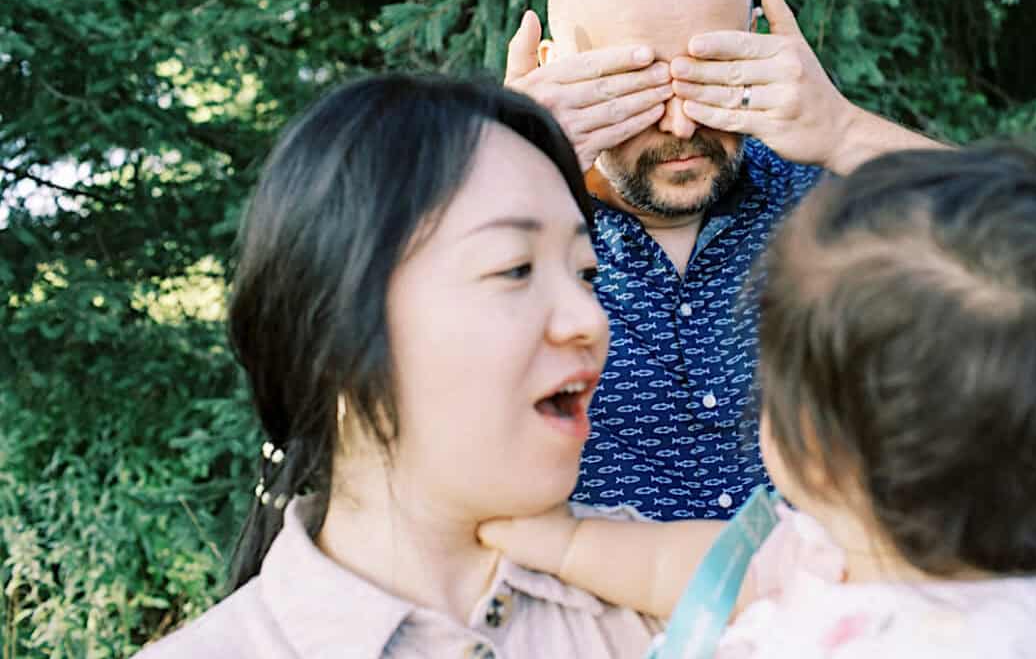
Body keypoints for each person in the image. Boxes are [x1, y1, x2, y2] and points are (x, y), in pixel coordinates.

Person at [476, 140, 1036, 656]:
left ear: (816, 448)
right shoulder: (880, 535)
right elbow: (718, 569)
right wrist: (568, 542)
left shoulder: (981, 641)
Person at [139, 75, 654, 658]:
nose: (589, 318)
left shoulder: (682, 598)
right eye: (515, 268)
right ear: (333, 332)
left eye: (587, 273)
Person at [500, 0, 939, 520]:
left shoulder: (823, 197)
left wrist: (845, 131)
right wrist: (503, 167)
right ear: (555, 69)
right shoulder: (499, 233)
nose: (681, 125)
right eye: (638, 86)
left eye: (709, 75)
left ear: (757, 45)